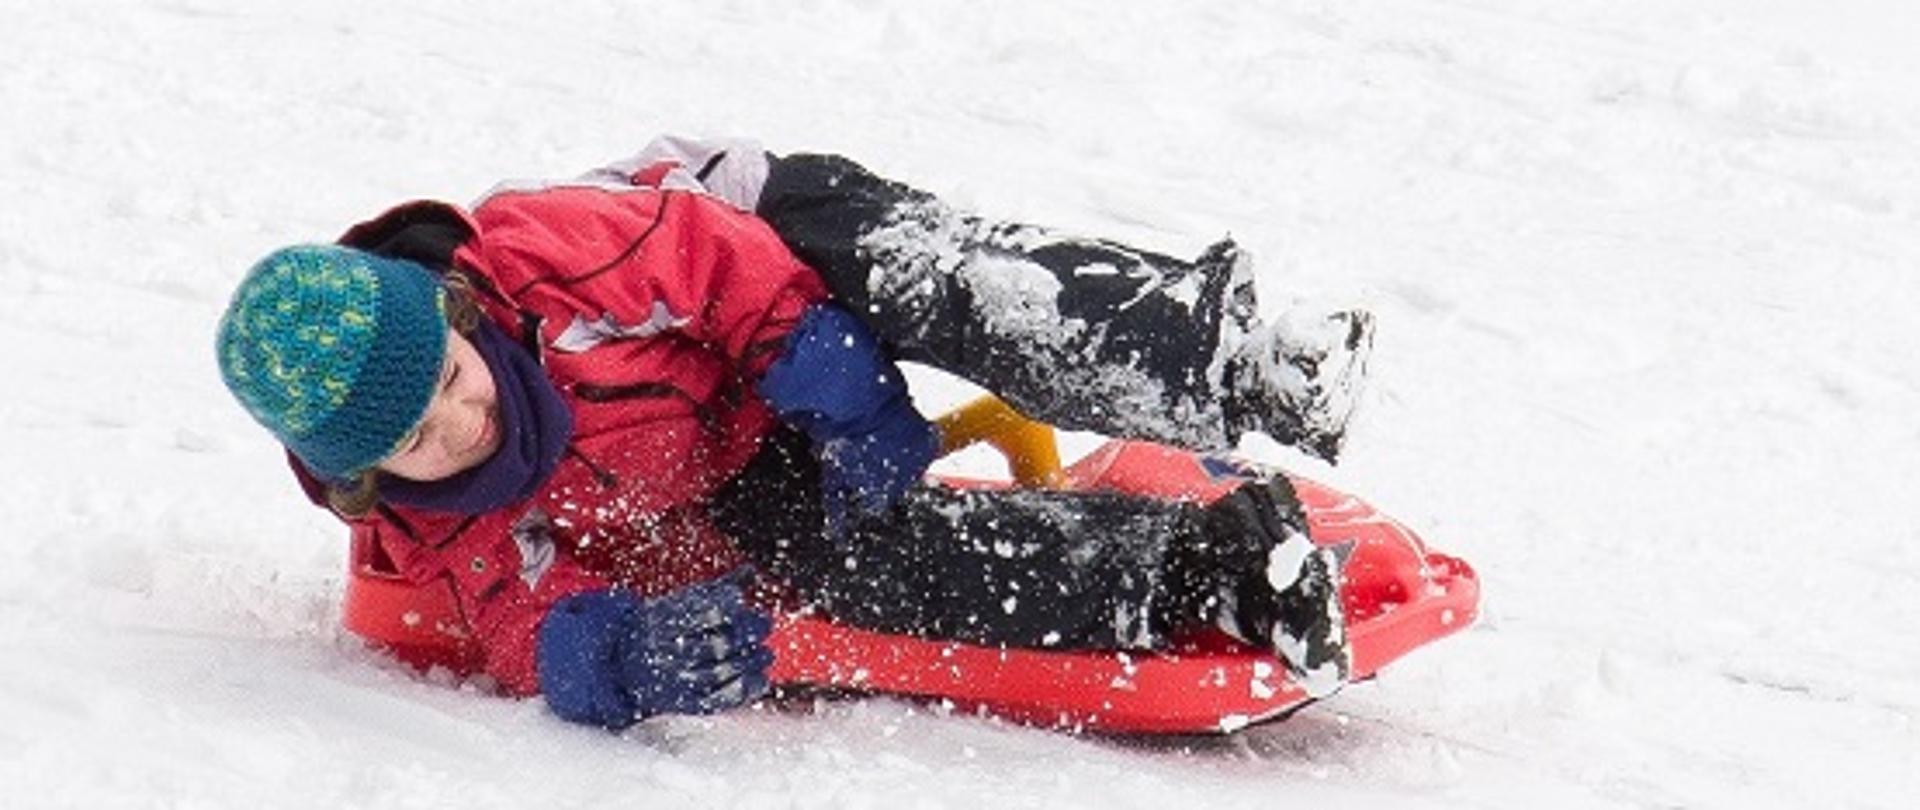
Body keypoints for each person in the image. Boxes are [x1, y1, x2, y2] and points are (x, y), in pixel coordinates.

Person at [213, 136, 1370, 730]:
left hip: (769, 242)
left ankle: (1234, 359)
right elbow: (522, 619)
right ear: (368, 479)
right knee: (860, 567)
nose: (464, 420)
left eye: (454, 378)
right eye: (417, 438)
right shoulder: (441, 518)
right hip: (734, 451)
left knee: (933, 283)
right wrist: (615, 658)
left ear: (460, 313)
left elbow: (721, 266)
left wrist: (851, 396)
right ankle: (1219, 568)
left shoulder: (547, 256)